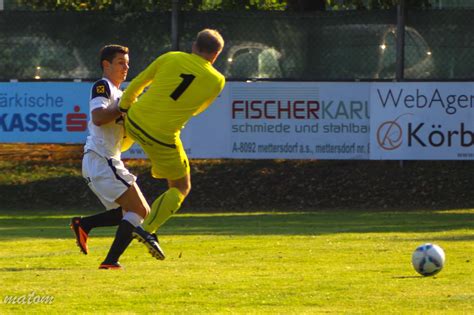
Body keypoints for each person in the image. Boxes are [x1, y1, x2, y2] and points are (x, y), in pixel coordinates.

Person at [118, 29, 225, 246]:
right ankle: (147, 229)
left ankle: (107, 157)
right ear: (216, 55)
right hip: (161, 137)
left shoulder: (171, 57)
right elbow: (197, 110)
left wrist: (123, 107)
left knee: (119, 146)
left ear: (194, 46)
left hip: (134, 119)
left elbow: (139, 82)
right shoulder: (217, 80)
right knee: (180, 186)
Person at [70, 44, 165, 270]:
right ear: (106, 64)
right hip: (101, 159)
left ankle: (85, 225)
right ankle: (110, 260)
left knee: (129, 212)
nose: (126, 67)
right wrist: (124, 108)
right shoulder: (103, 86)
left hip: (104, 160)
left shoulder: (122, 94)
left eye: (128, 63)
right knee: (141, 211)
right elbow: (98, 117)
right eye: (121, 63)